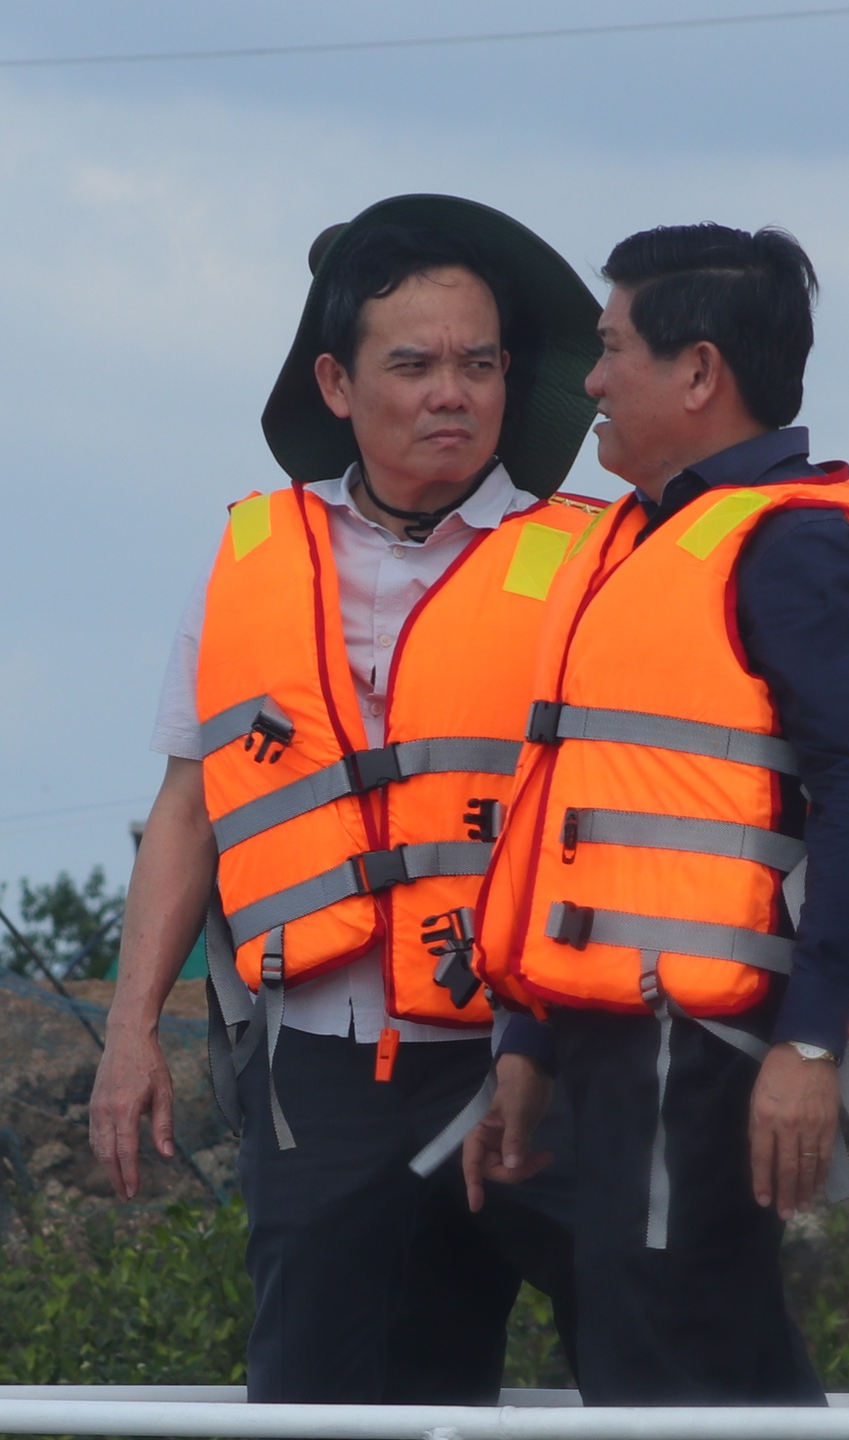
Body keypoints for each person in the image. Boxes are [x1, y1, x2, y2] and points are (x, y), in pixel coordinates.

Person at [87, 194, 601, 1404]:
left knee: (636, 1380)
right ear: (334, 383)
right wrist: (129, 1031)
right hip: (317, 1067)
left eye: (479, 365)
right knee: (318, 1402)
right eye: (412, 365)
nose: (451, 394)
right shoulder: (252, 555)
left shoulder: (586, 557)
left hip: (537, 1061)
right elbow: (189, 805)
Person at [461, 223, 849, 1404]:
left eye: (612, 350)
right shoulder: (637, 537)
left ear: (701, 373)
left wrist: (810, 1044)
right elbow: (590, 823)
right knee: (686, 1361)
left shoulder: (795, 544)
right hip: (613, 1036)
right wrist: (527, 1043)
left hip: (702, 1050)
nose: (592, 380)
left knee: (676, 1370)